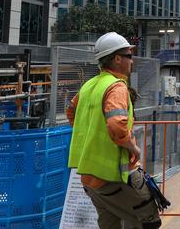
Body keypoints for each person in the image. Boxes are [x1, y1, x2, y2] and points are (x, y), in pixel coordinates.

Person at [67, 32, 161, 229]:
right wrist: (133, 148)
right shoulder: (116, 87)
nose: (131, 60)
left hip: (90, 180)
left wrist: (90, 134)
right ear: (117, 59)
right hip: (115, 177)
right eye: (128, 55)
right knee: (148, 221)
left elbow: (71, 112)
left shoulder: (88, 86)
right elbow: (117, 125)